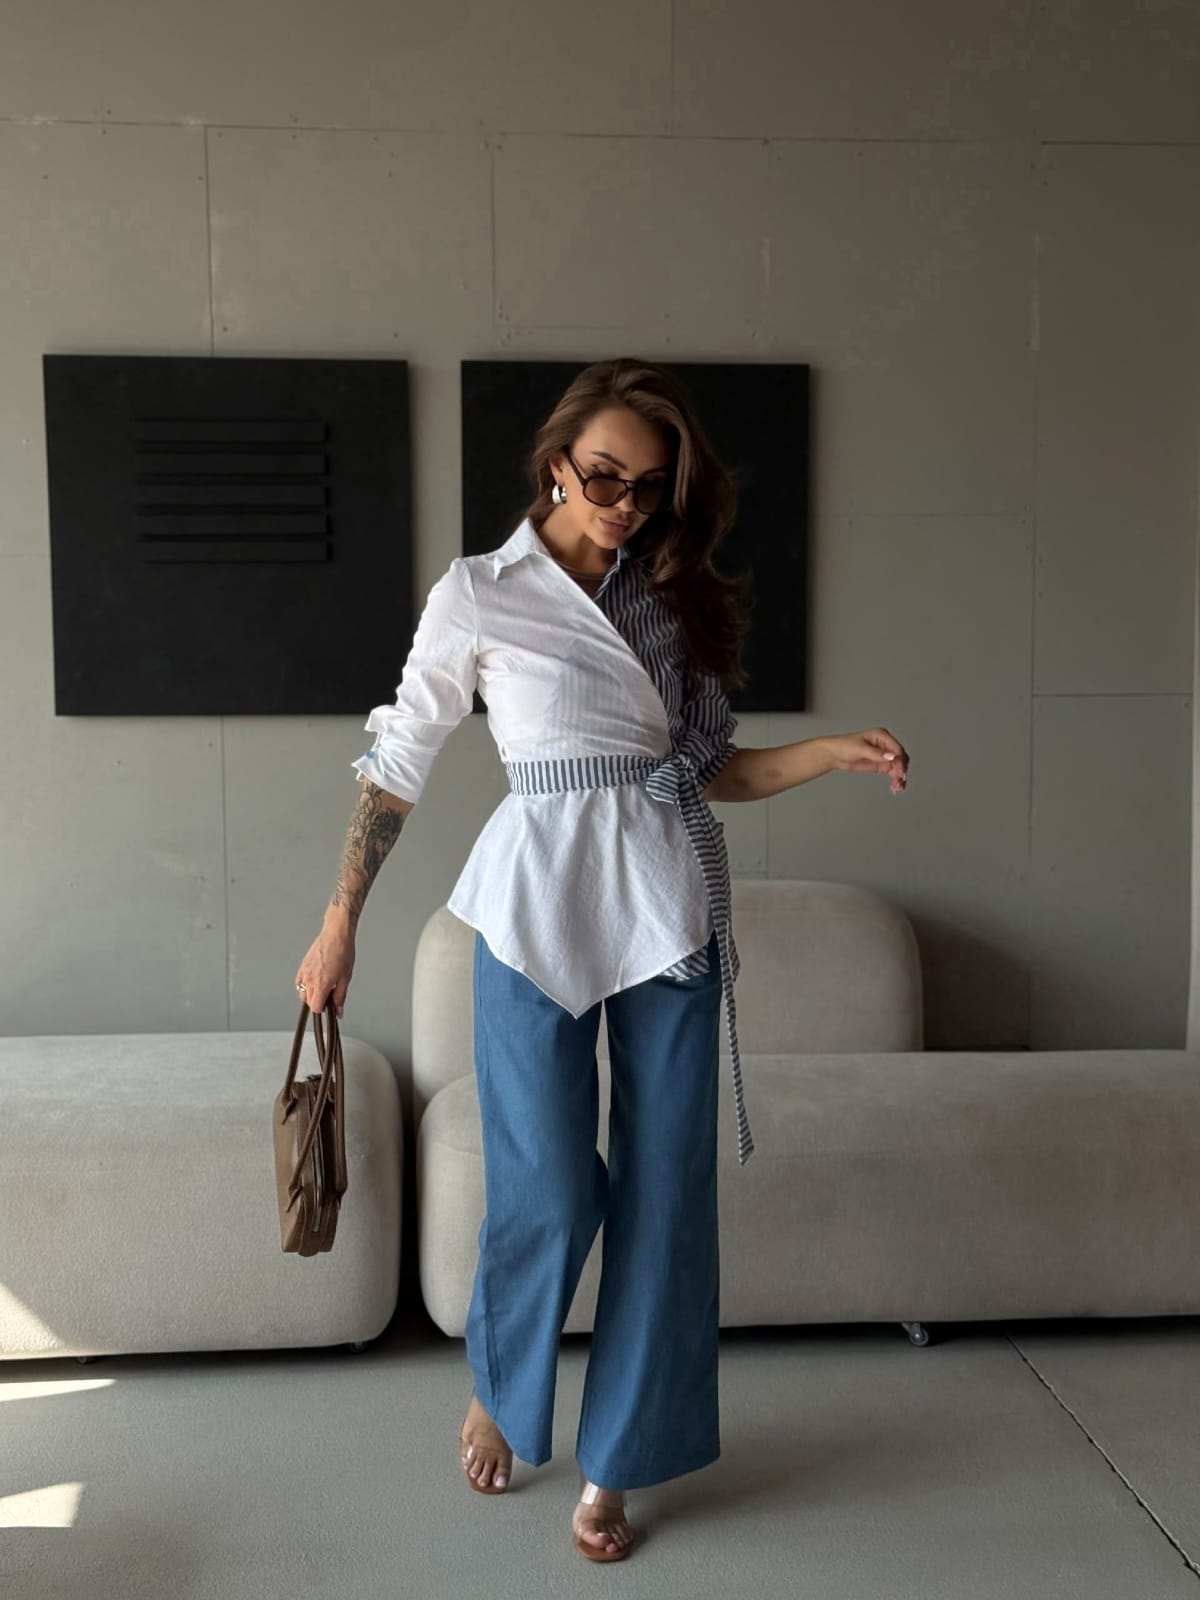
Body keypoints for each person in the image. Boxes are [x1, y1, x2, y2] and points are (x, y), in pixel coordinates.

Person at [295, 357, 910, 1564]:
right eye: (605, 475)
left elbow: (713, 772)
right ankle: (503, 1381)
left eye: (650, 485)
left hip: (666, 905)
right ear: (556, 466)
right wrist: (339, 919)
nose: (626, 503)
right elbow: (399, 761)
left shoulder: (671, 599)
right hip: (533, 906)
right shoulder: (481, 592)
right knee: (550, 1185)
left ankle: (618, 1459)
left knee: (667, 1195)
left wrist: (829, 752)